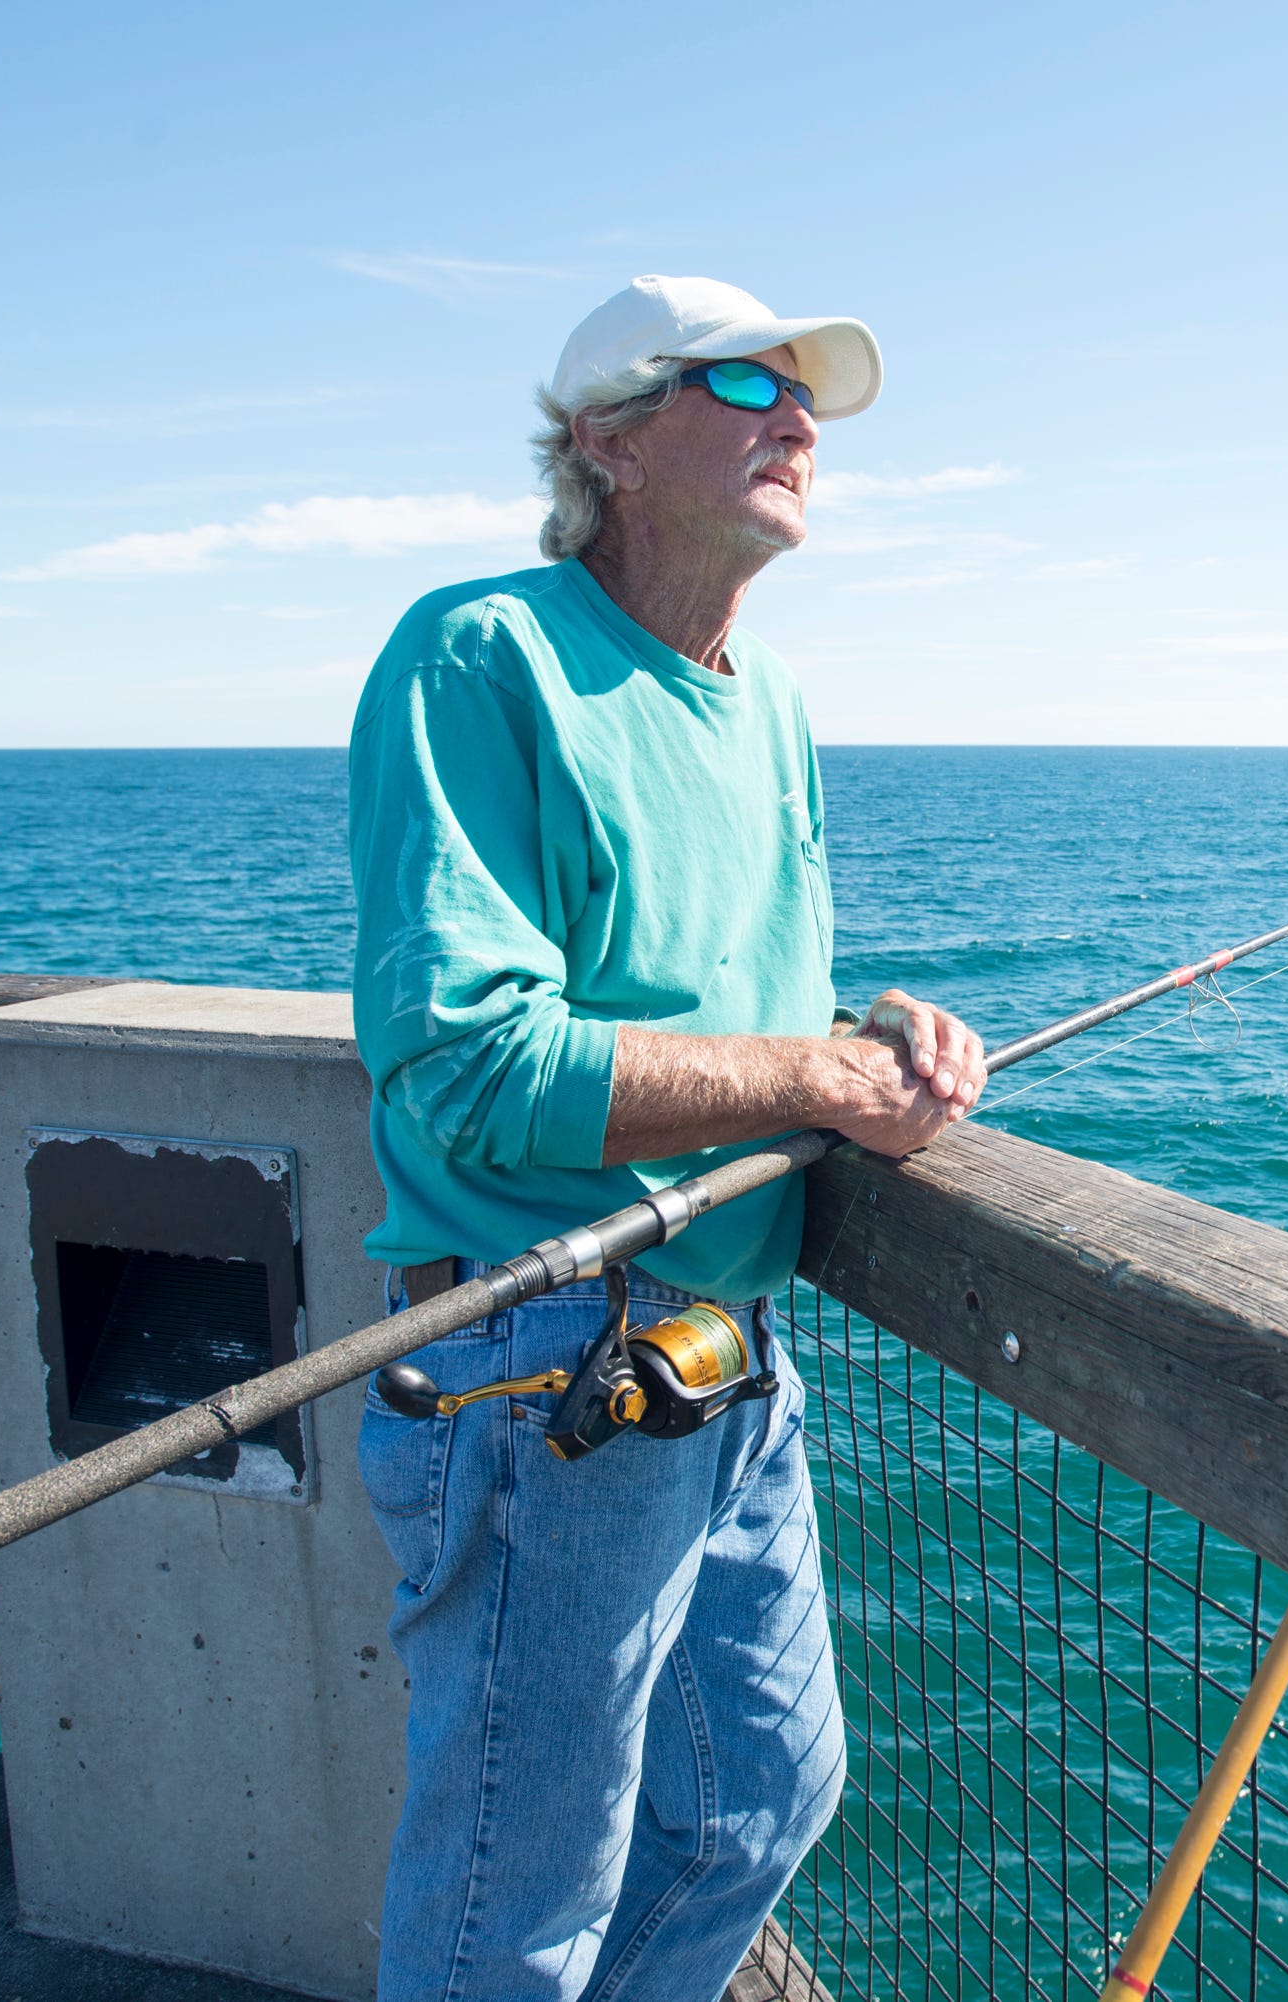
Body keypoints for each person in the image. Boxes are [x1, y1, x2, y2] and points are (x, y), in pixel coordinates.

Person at [346, 276, 988, 2000]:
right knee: (517, 1892)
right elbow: (471, 1064)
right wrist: (807, 1076)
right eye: (746, 381)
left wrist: (872, 1038)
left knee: (756, 1802)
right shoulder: (478, 654)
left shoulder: (769, 701)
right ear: (610, 442)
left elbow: (739, 1003)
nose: (798, 419)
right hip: (537, 1357)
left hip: (720, 1351)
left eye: (809, 395)